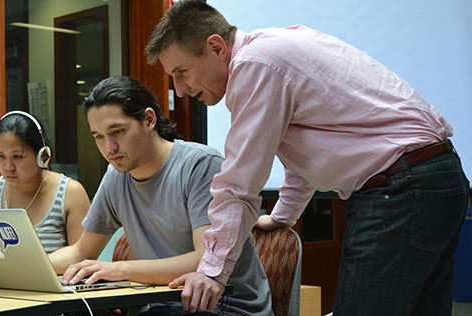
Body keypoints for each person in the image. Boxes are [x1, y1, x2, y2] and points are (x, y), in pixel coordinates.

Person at [145, 1, 471, 315]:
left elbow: (239, 182)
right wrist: (284, 215)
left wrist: (212, 271)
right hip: (436, 178)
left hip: (401, 188)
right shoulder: (273, 50)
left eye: (182, 72)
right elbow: (307, 153)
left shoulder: (254, 65)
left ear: (216, 47)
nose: (180, 89)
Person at [48, 76, 272, 316]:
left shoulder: (200, 165)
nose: (109, 147)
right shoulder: (116, 177)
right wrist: (25, 268)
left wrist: (118, 269)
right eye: (99, 137)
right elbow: (82, 251)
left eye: (117, 131)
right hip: (166, 306)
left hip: (226, 307)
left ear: (149, 119)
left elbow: (204, 260)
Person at [0, 111, 90, 253]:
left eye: (17, 156)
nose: (8, 167)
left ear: (42, 156)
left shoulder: (71, 193)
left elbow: (82, 261)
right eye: (1, 156)